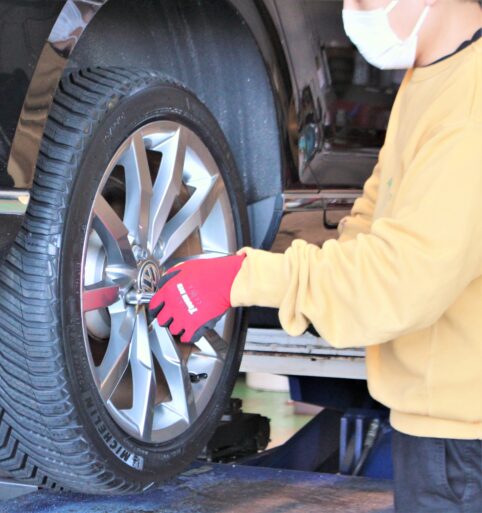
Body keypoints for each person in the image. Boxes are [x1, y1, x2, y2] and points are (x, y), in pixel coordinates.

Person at [149, 1, 482, 511]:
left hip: (463, 439)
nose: (353, 12)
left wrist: (242, 276)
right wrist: (310, 286)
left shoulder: (470, 106)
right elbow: (372, 216)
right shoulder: (433, 75)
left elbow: (398, 282)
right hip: (442, 422)